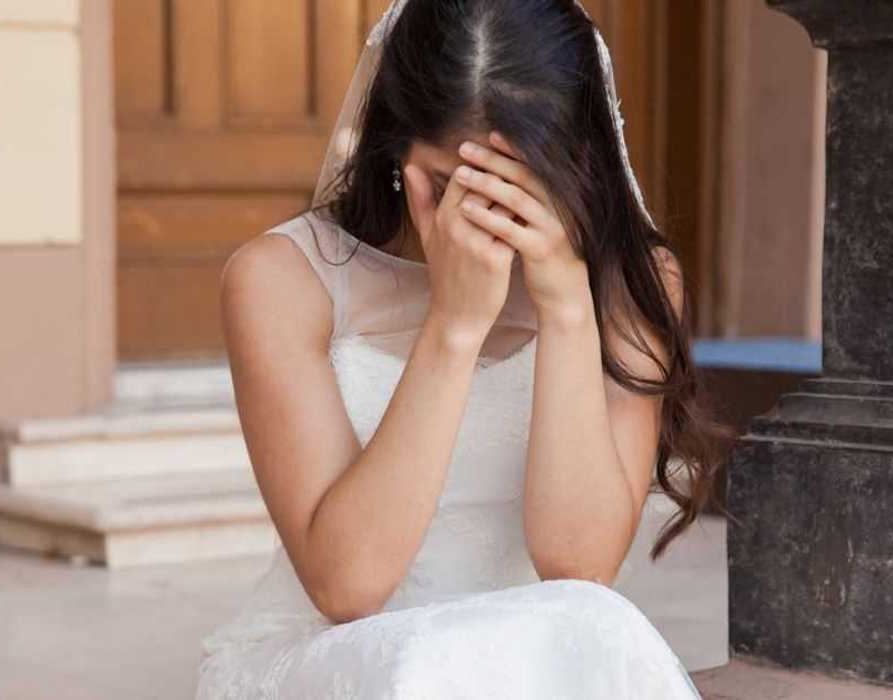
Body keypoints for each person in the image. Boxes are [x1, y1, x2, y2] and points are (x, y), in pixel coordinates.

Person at [197, 0, 731, 697]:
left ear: (580, 161)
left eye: (524, 187)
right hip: (354, 656)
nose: (486, 220)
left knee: (605, 630)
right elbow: (347, 585)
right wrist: (452, 328)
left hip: (532, 651)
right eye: (453, 186)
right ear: (396, 151)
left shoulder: (630, 281)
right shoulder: (282, 280)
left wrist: (567, 308)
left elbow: (579, 569)